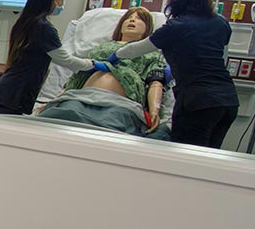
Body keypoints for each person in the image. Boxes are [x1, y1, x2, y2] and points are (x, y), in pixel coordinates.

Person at [109, 0, 238, 148]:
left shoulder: (176, 27)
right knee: (208, 159)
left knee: (185, 159)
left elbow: (138, 48)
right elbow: (216, 54)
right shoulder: (221, 22)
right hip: (228, 101)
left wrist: (116, 55)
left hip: (198, 102)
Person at [36, 7, 170, 134]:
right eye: (129, 17)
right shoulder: (101, 48)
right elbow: (76, 78)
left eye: (139, 18)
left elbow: (156, 82)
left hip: (118, 105)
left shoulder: (150, 54)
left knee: (105, 133)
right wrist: (54, 101)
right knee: (55, 123)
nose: (132, 20)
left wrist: (154, 111)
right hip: (79, 99)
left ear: (148, 28)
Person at [0, 0, 95, 115]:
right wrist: (93, 64)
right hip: (16, 95)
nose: (64, 0)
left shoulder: (25, 21)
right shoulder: (43, 28)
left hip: (8, 90)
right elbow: (66, 60)